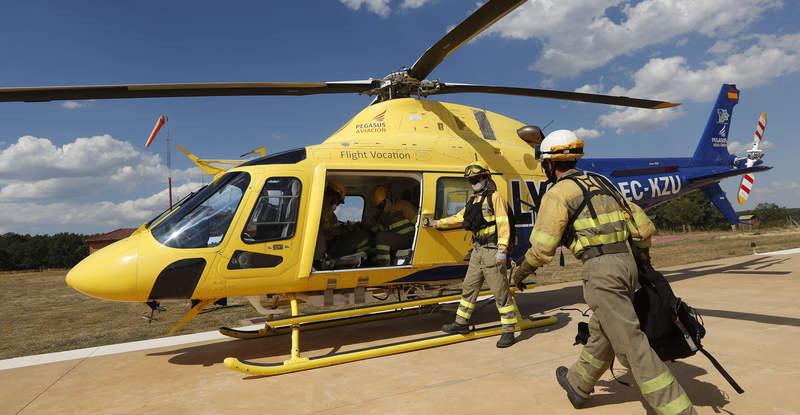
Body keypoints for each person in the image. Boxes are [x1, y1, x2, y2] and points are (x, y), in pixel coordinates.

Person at [511, 130, 696, 414]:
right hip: (628, 263)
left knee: (634, 346)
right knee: (602, 332)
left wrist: (518, 274)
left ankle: (680, 410)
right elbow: (643, 227)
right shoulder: (603, 182)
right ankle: (577, 383)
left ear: (549, 164)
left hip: (601, 271)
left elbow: (542, 248)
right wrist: (643, 262)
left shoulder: (558, 193)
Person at [424, 161, 517, 348]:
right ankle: (461, 323)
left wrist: (502, 249)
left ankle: (508, 330)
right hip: (477, 251)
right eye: (470, 180)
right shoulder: (473, 200)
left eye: (476, 178)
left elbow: (503, 223)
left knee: (500, 292)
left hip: (492, 250)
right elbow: (459, 218)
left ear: (485, 178)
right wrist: (436, 223)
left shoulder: (495, 197)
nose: (473, 182)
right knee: (469, 287)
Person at [314, 180, 370, 269]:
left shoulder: (329, 212)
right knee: (362, 236)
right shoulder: (324, 209)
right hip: (330, 245)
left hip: (332, 243)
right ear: (334, 196)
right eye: (338, 201)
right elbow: (325, 230)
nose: (338, 204)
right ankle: (363, 264)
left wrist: (346, 227)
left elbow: (334, 226)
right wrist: (343, 231)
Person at [369, 185, 418, 266]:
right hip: (398, 239)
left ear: (389, 199)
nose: (382, 209)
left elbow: (418, 223)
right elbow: (379, 231)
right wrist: (371, 226)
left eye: (382, 205)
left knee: (381, 237)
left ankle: (383, 265)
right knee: (377, 238)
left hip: (410, 238)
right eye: (379, 207)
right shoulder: (383, 216)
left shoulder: (403, 205)